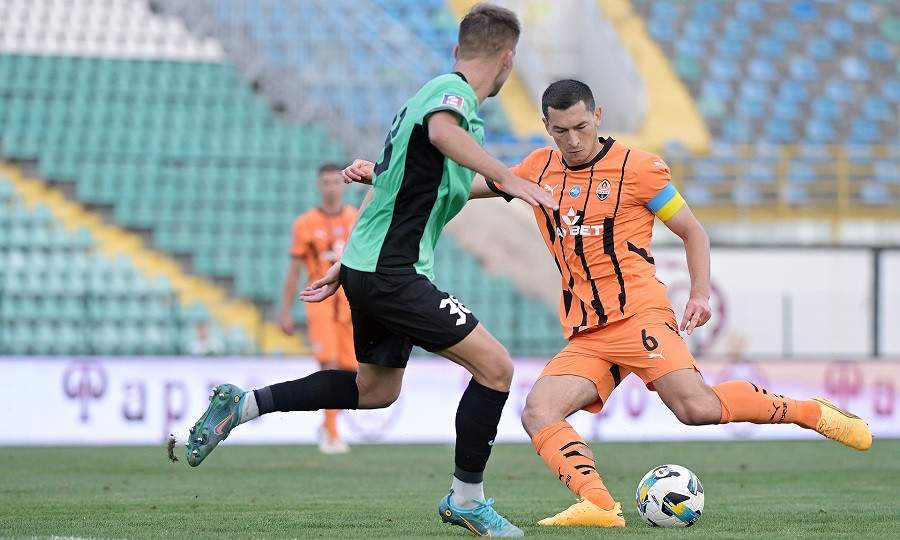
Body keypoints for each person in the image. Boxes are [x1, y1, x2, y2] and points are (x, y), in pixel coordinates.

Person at [345, 78, 874, 529]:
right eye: (560, 131)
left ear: (597, 116)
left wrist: (699, 293)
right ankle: (599, 504)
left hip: (640, 314)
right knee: (538, 411)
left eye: (581, 126)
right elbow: (459, 185)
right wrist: (385, 173)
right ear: (546, 126)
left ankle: (812, 413)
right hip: (588, 331)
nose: (573, 140)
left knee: (696, 410)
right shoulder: (537, 167)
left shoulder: (640, 169)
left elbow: (693, 232)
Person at [184, 3, 556, 538]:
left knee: (376, 390)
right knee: (496, 368)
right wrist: (508, 175)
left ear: (459, 49)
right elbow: (445, 134)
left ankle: (243, 406)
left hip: (371, 267)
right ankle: (466, 500)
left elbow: (410, 187)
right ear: (507, 60)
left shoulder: (425, 107)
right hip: (392, 272)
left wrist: (509, 185)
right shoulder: (448, 98)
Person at [278, 163, 357, 454]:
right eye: (326, 182)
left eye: (336, 182)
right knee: (329, 363)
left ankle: (328, 424)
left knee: (351, 368)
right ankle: (332, 431)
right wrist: (285, 310)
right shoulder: (306, 223)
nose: (331, 187)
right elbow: (294, 269)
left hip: (351, 302)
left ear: (342, 185)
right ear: (318, 186)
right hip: (319, 300)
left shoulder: (355, 217)